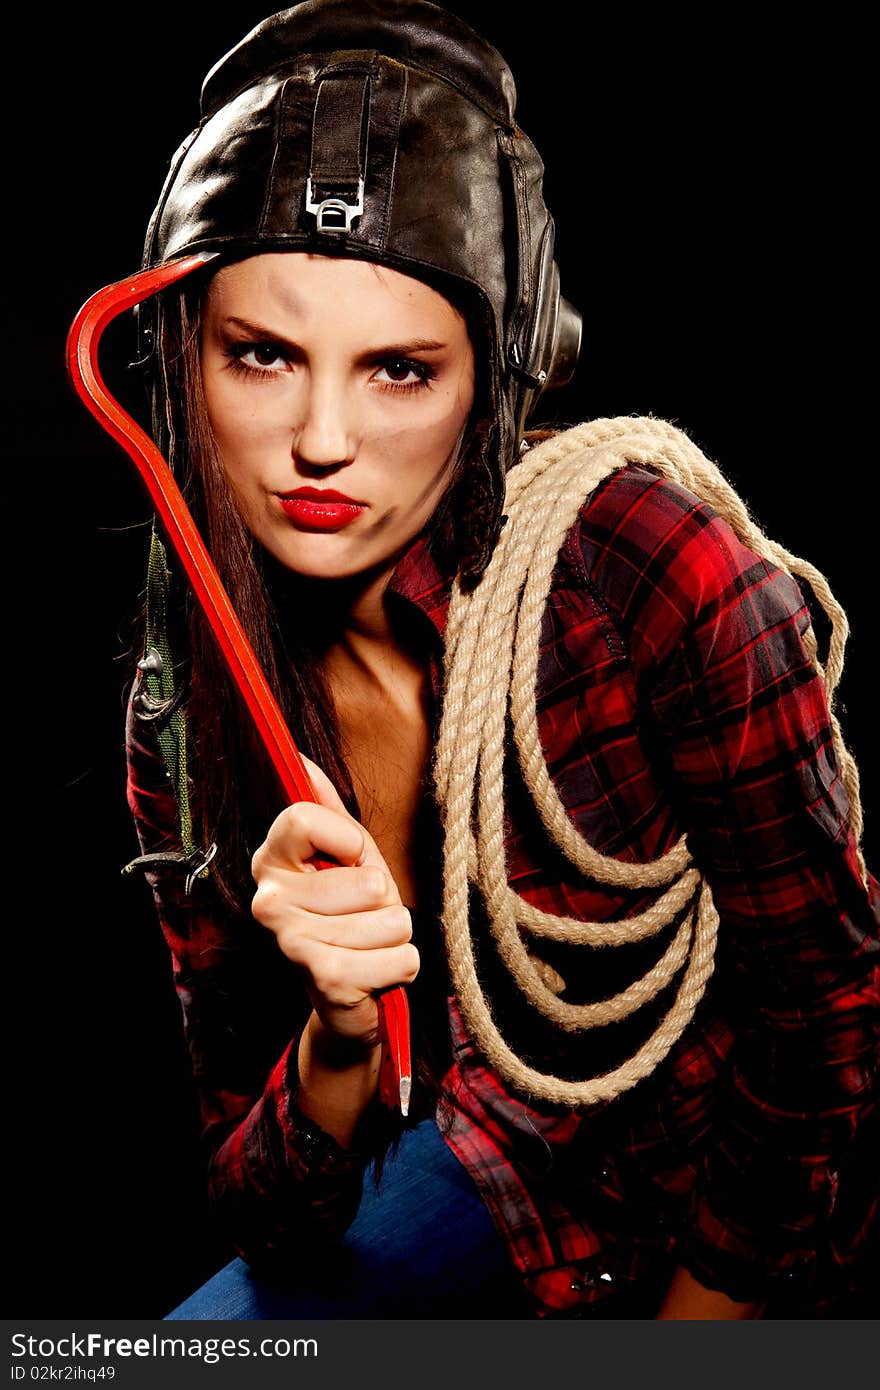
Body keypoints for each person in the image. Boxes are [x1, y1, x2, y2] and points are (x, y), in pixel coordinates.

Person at [113, 0, 878, 1320]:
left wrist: (709, 1315)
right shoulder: (182, 712)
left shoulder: (650, 565)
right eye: (264, 354)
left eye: (400, 370)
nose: (321, 439)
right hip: (488, 1167)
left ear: (494, 379)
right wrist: (338, 1044)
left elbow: (826, 1016)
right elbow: (257, 1200)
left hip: (716, 1190)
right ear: (188, 361)